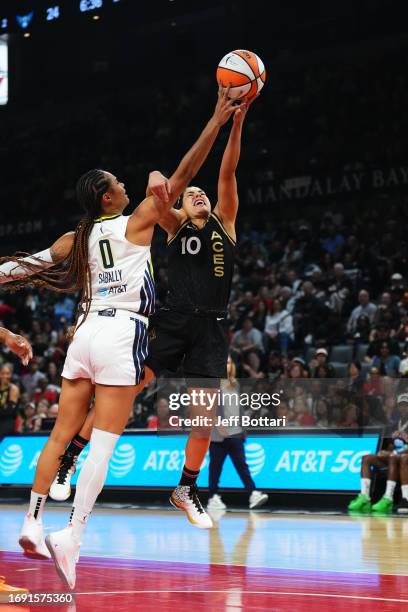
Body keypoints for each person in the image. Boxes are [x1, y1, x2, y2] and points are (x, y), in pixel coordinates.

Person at [0, 87, 238, 589]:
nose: (126, 185)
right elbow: (184, 176)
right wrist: (216, 120)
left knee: (60, 435)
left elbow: (25, 266)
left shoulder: (75, 237)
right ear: (108, 197)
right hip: (122, 331)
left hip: (82, 333)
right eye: (119, 184)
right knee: (105, 445)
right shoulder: (138, 222)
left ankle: (30, 521)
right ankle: (73, 535)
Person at [45, 92, 254, 530]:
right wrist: (159, 175)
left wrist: (237, 124)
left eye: (203, 194)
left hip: (211, 329)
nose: (198, 195)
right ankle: (69, 459)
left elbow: (228, 170)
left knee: (204, 422)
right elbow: (166, 186)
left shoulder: (227, 223)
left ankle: (186, 488)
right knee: (124, 393)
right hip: (169, 320)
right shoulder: (173, 224)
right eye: (191, 194)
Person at [207, 356, 268, 511]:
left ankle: (253, 493)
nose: (225, 365)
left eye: (228, 362)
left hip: (235, 433)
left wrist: (243, 429)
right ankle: (213, 497)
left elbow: (238, 409)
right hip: (218, 435)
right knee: (215, 468)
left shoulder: (235, 384)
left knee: (242, 465)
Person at [348, 393, 408, 513]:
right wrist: (385, 451)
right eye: (401, 405)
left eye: (406, 405)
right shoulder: (394, 425)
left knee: (397, 457)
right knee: (367, 458)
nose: (403, 408)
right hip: (395, 457)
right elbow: (391, 445)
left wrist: (394, 452)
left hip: (404, 458)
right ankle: (365, 497)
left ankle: (389, 498)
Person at [0, 363, 21, 436]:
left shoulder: (13, 389)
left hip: (8, 420)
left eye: (7, 373)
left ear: (11, 374)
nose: (5, 376)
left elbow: (9, 410)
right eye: (2, 373)